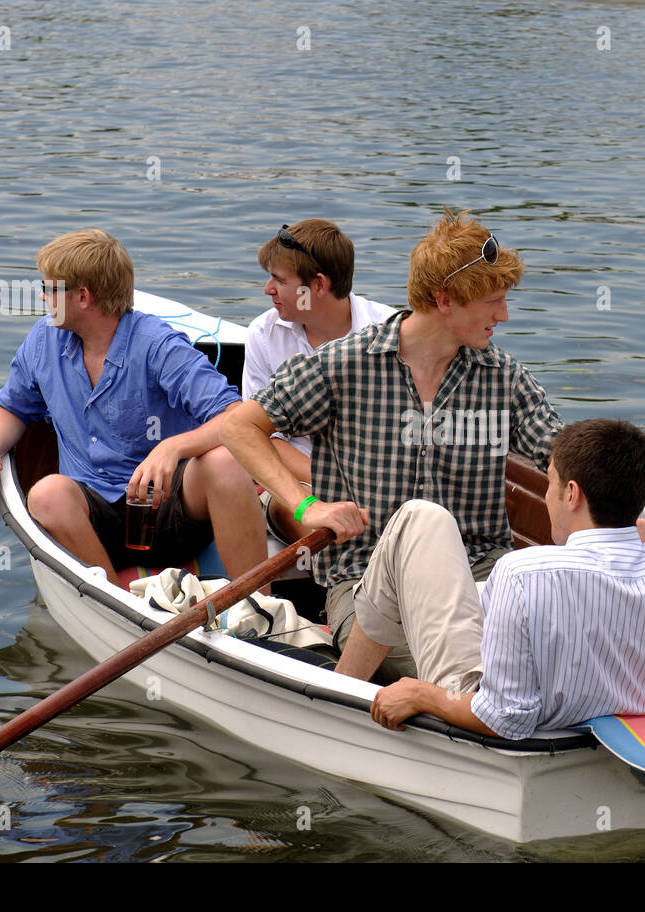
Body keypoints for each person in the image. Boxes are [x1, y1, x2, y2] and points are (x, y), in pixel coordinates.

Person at [222, 209, 563, 677]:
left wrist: (621, 518)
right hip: (367, 582)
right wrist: (305, 507)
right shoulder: (343, 365)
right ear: (446, 300)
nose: (503, 316)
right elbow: (240, 428)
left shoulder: (502, 377)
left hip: (481, 576)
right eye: (493, 302)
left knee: (538, 654)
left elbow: (563, 454)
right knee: (478, 669)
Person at [335, 419, 645, 738]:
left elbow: (505, 718)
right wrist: (644, 683)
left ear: (571, 494)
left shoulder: (522, 573)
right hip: (628, 732)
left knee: (419, 519)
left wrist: (421, 693)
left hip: (486, 714)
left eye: (548, 482)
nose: (546, 496)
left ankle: (337, 694)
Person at [0, 229, 266, 587]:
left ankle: (257, 604)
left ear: (83, 297)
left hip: (168, 510)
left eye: (50, 289)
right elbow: (9, 408)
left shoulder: (158, 345)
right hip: (90, 522)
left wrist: (173, 447)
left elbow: (235, 418)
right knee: (46, 494)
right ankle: (121, 603)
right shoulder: (43, 340)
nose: (42, 296)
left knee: (224, 461)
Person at [242, 220, 398, 486]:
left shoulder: (392, 333)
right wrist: (337, 484)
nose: (268, 289)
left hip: (380, 483)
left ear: (318, 285)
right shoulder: (262, 334)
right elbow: (259, 437)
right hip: (294, 484)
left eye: (279, 280)